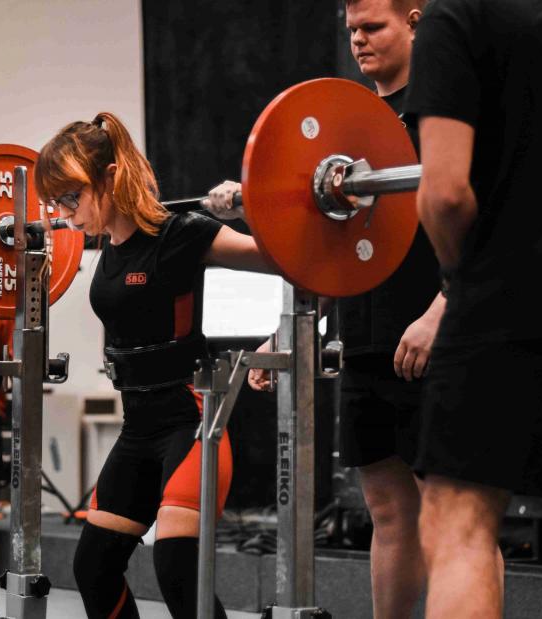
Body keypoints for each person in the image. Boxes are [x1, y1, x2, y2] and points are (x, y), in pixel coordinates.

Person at [208, 1, 441, 616]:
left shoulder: (443, 113)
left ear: (415, 21)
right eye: (352, 31)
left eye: (373, 27)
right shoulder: (347, 131)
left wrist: (438, 315)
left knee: (453, 518)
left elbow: (485, 227)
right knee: (387, 513)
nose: (359, 41)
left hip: (433, 339)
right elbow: (323, 246)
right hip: (365, 337)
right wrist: (283, 334)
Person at [34, 112, 270, 618]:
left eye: (72, 197)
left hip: (191, 421)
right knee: (94, 568)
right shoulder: (109, 245)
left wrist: (250, 208)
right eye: (58, 202)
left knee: (177, 567)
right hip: (138, 428)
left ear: (111, 177)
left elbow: (284, 259)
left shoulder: (181, 233)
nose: (66, 214)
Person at [404, 1, 542, 616]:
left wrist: (461, 278)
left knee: (460, 525)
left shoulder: (458, 15)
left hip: (503, 299)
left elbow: (445, 193)